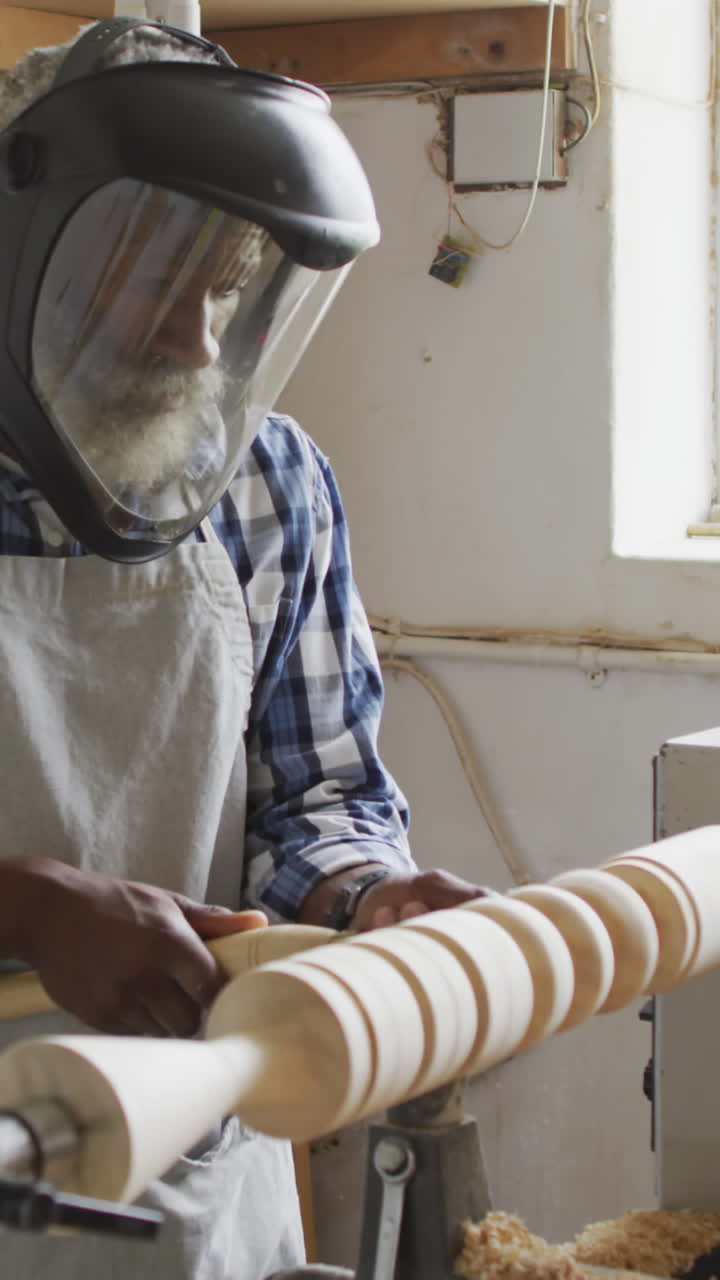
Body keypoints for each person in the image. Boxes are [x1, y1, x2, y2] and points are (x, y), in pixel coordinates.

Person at [0, 17, 488, 1280]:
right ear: (26, 258)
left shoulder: (268, 481)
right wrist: (29, 901)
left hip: (191, 1181)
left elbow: (316, 791)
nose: (198, 342)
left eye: (225, 291)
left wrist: (370, 895)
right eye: (155, 282)